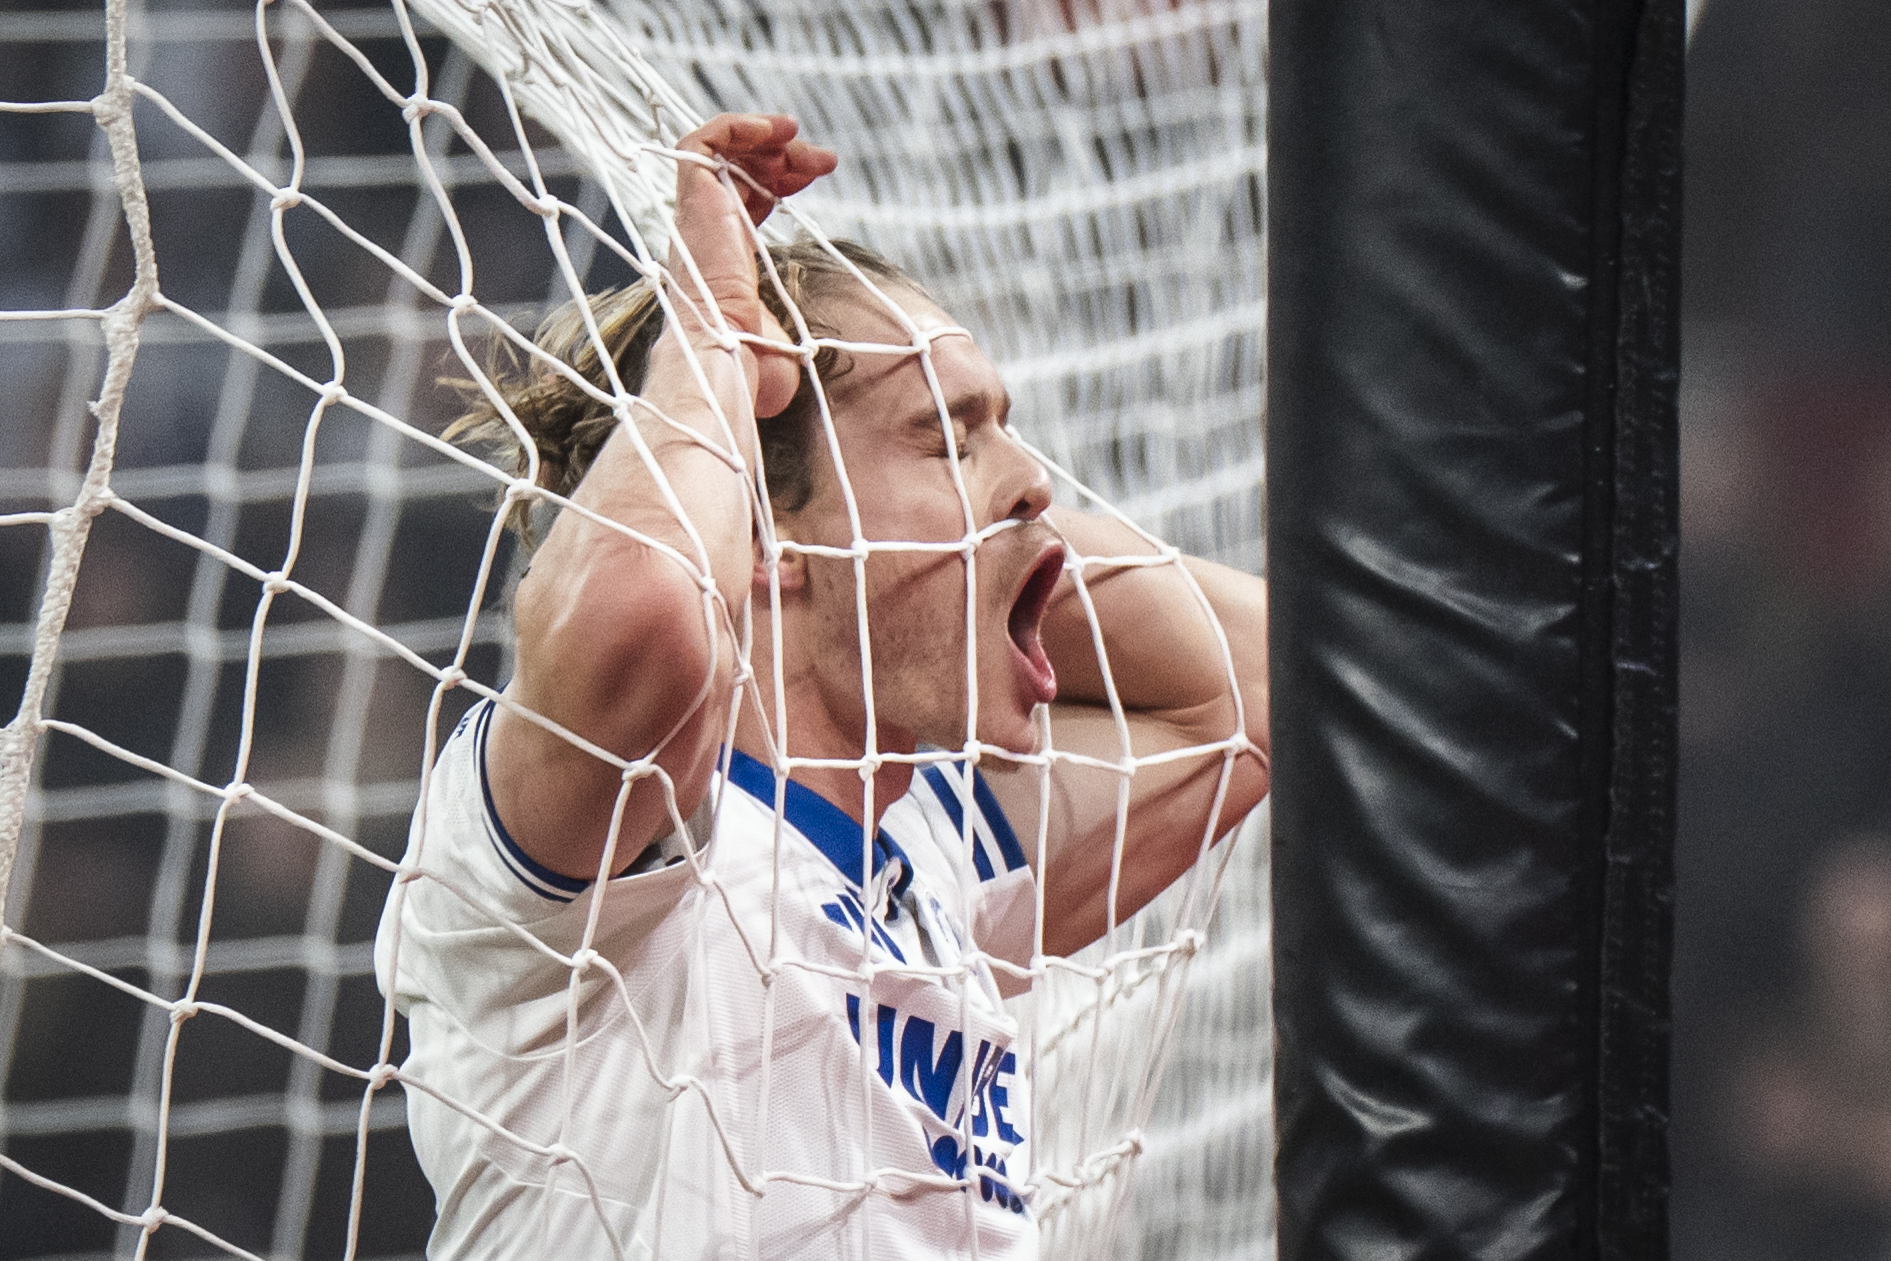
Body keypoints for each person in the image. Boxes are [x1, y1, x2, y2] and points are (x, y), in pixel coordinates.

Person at [375, 113, 1269, 1259]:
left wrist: (983, 531)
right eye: (945, 437)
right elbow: (652, 605)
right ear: (763, 530)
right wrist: (711, 332)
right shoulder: (632, 851)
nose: (1033, 479)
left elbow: (1251, 679)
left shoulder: (940, 865)